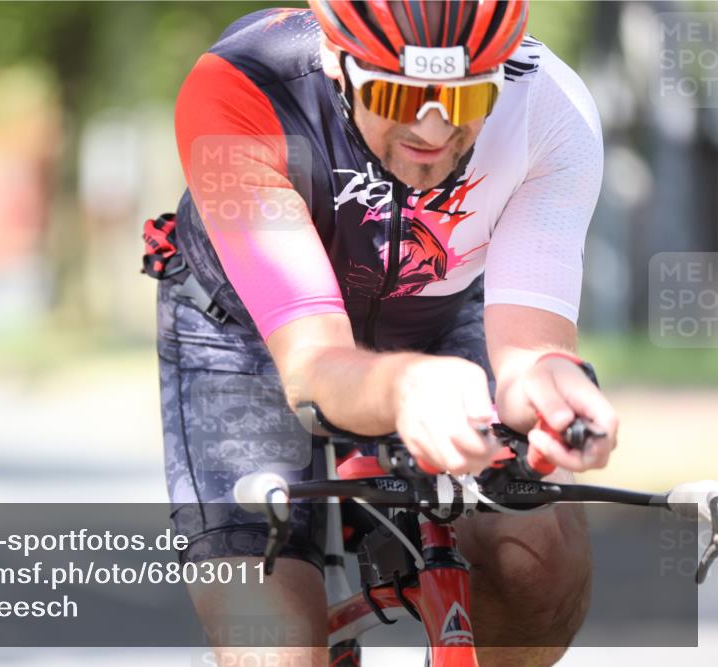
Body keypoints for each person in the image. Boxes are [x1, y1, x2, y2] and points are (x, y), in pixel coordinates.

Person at [146, 2, 617, 665]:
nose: (434, 126)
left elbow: (529, 352)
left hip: (442, 313)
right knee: (272, 640)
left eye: (465, 98)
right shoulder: (243, 87)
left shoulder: (551, 108)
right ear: (340, 60)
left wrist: (558, 388)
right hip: (245, 333)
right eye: (399, 93)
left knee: (539, 562)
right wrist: (404, 386)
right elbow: (314, 365)